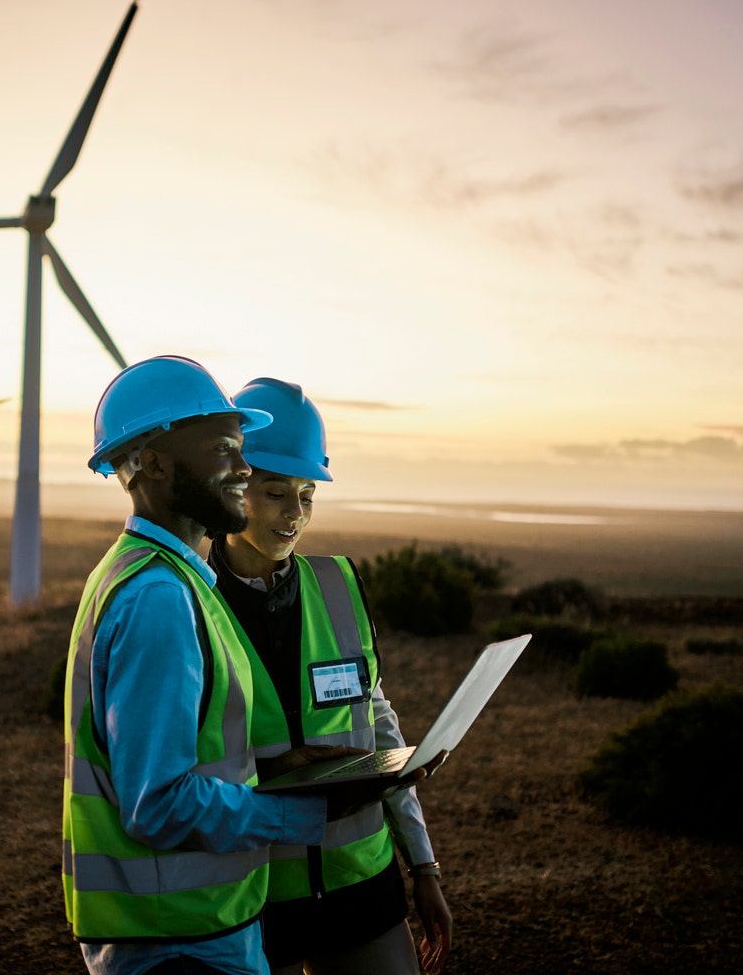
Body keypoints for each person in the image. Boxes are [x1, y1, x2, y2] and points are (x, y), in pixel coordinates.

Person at [62, 356, 393, 975]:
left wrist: (274, 766)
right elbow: (157, 803)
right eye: (223, 448)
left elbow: (173, 757)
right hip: (177, 942)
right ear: (154, 465)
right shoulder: (159, 597)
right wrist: (301, 812)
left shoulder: (158, 576)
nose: (243, 467)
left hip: (193, 928)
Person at [207, 377, 454, 975]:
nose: (295, 515)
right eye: (274, 492)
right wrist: (270, 769)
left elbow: (379, 725)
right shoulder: (188, 600)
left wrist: (423, 867)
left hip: (361, 886)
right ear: (235, 487)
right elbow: (171, 766)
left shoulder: (340, 586)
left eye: (307, 494)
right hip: (251, 896)